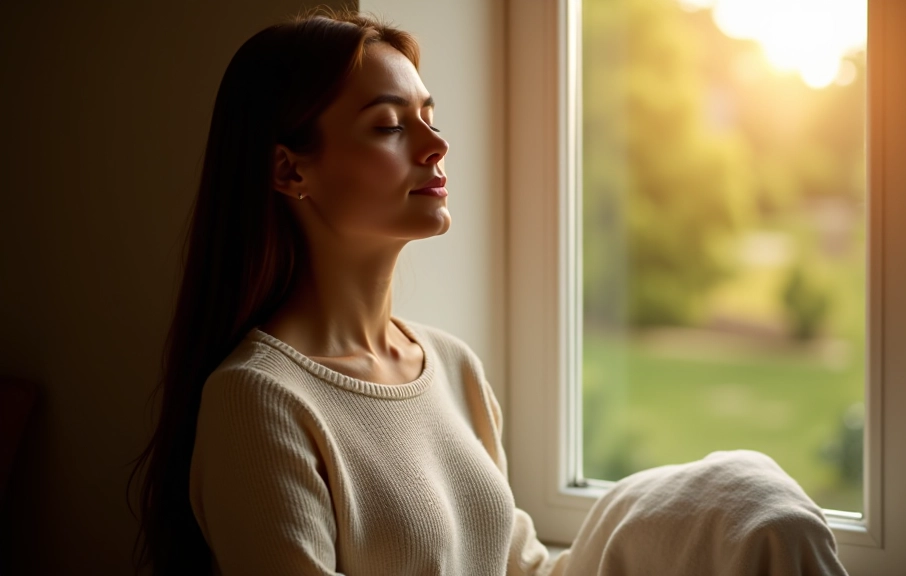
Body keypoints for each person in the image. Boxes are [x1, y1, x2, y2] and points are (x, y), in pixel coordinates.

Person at [130, 8, 848, 576]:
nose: (435, 144)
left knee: (750, 494)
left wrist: (720, 520)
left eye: (430, 116)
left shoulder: (451, 366)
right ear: (291, 171)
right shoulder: (259, 401)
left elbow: (520, 568)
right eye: (389, 125)